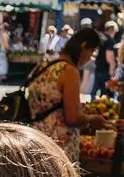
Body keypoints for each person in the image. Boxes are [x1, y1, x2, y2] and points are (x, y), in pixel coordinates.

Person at [26, 26, 106, 165]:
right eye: (91, 52)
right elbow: (72, 117)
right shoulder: (69, 71)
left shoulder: (45, 65)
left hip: (35, 139)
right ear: (84, 47)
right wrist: (93, 119)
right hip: (57, 146)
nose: (89, 58)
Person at [92, 20, 118, 97]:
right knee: (105, 96)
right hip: (105, 72)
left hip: (97, 69)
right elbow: (109, 58)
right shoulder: (110, 41)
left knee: (93, 93)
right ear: (112, 30)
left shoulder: (100, 38)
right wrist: (112, 73)